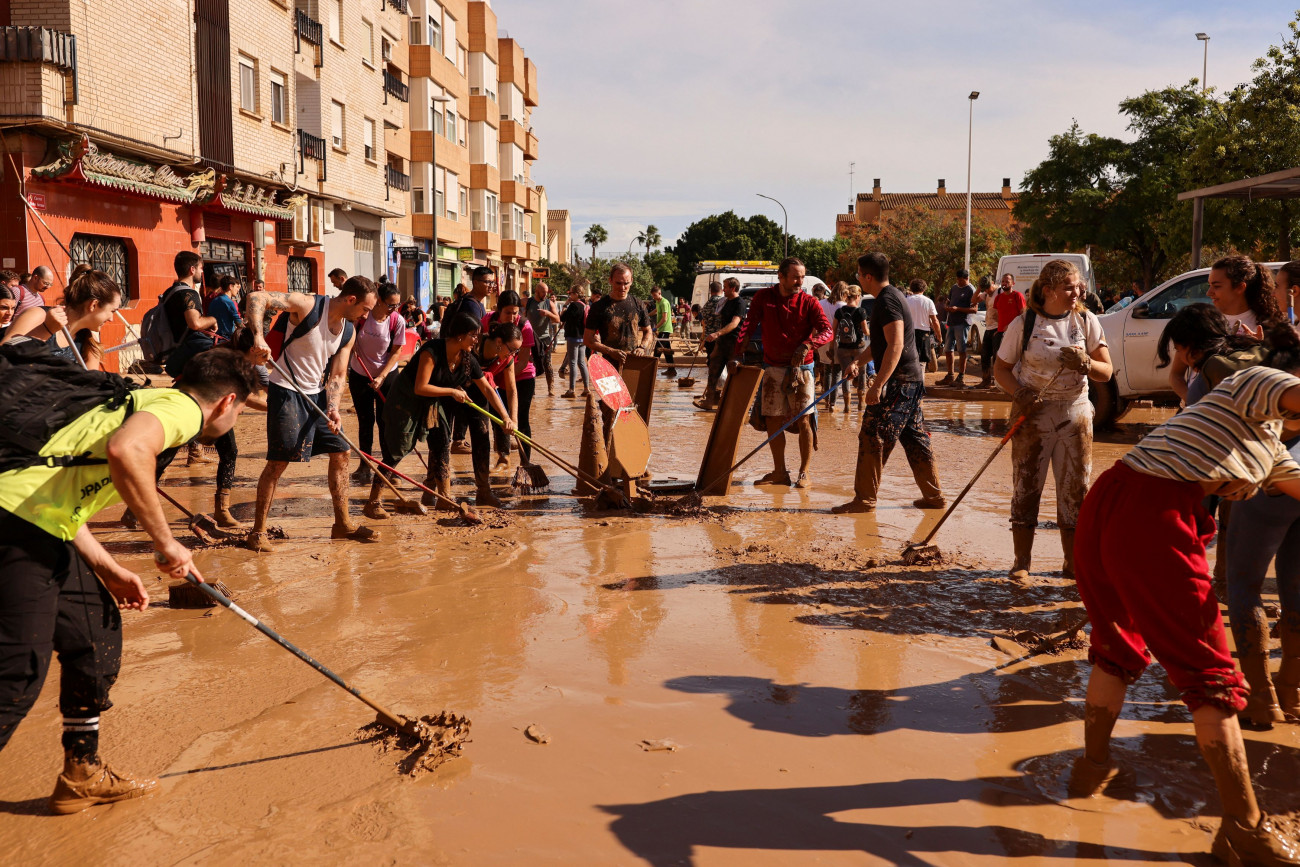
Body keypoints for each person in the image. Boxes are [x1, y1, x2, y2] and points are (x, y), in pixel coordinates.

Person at [1068, 323, 1300, 866]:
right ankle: (1243, 827)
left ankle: (1091, 770)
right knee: (1211, 674)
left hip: (1115, 498)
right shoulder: (1255, 381)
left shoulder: (1270, 449)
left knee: (1117, 642)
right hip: (1150, 511)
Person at [0, 346, 257, 813]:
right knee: (15, 673)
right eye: (240, 410)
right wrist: (167, 543)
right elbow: (127, 450)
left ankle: (81, 772)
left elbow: (50, 488)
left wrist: (108, 567)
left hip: (34, 517)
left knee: (95, 630)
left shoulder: (151, 401)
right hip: (11, 524)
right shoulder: (181, 411)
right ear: (227, 403)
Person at [993, 259, 1113, 580]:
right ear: (1048, 290)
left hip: (1075, 412)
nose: (1077, 293)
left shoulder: (1086, 321)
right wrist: (1020, 394)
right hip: (1033, 413)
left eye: (1078, 286)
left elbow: (1107, 371)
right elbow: (1001, 370)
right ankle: (1022, 563)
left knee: (1076, 490)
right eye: (1069, 287)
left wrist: (1086, 362)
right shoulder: (1024, 323)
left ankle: (1072, 565)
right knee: (1027, 484)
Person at [243, 277, 379, 552]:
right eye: (365, 309)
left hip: (316, 396)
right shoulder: (308, 305)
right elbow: (257, 298)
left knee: (342, 453)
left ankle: (342, 524)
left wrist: (333, 408)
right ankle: (257, 532)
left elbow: (339, 373)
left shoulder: (348, 331)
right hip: (286, 391)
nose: (367, 315)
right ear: (351, 300)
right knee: (278, 463)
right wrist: (258, 336)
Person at [834, 253, 943, 513]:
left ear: (868, 276)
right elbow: (881, 344)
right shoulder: (891, 296)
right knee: (915, 438)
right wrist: (857, 362)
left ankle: (864, 500)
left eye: (859, 275)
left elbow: (895, 345)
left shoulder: (887, 301)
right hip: (910, 381)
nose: (858, 279)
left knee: (872, 435)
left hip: (899, 382)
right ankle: (933, 497)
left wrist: (877, 385)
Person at [381, 314, 517, 511]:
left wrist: (506, 417)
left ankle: (477, 491)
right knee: (429, 443)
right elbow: (421, 386)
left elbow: (487, 388)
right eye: (473, 336)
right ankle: (433, 492)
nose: (476, 341)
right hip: (428, 398)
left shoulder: (469, 357)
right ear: (461, 336)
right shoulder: (434, 350)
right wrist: (453, 391)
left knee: (478, 437)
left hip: (459, 396)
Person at [731, 257, 832, 489]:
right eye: (795, 276)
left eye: (802, 276)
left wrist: (808, 345)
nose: (800, 281)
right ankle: (779, 472)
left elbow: (827, 331)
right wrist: (737, 354)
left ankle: (804, 472)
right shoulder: (763, 298)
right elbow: (747, 326)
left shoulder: (810, 302)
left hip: (802, 370)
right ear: (781, 276)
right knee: (773, 420)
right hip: (772, 368)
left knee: (804, 420)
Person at [2, 265, 120, 372]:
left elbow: (90, 385)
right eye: (112, 311)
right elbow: (4, 358)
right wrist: (46, 330)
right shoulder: (39, 316)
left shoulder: (90, 341)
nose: (111, 319)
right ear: (93, 305)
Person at [347, 282, 406, 488]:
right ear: (379, 301)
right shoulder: (363, 316)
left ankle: (389, 467)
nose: (394, 309)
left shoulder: (397, 321)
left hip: (387, 376)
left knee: (386, 422)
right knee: (365, 421)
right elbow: (347, 334)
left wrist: (381, 377)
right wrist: (351, 343)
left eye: (397, 305)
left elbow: (396, 352)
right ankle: (365, 465)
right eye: (391, 305)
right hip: (360, 374)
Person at [482, 290, 538, 470]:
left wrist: (505, 379)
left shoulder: (525, 327)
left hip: (521, 376)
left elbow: (521, 360)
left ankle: (525, 461)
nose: (513, 317)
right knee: (498, 417)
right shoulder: (488, 321)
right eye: (508, 312)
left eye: (516, 312)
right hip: (495, 375)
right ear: (498, 310)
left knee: (520, 419)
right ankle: (503, 458)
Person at [1206, 254, 1287, 338]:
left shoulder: (1268, 326)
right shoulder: (1206, 323)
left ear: (1240, 287)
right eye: (1209, 286)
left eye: (1216, 286)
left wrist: (1258, 348)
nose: (1208, 293)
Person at [700, 278, 745, 411]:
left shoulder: (740, 303)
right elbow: (721, 321)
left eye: (725, 287)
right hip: (721, 343)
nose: (723, 289)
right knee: (713, 371)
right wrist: (717, 343)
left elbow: (734, 323)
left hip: (734, 343)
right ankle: (710, 400)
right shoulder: (724, 301)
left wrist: (717, 334)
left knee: (734, 375)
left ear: (732, 288)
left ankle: (734, 404)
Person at [833, 285, 870, 410]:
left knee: (845, 375)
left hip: (843, 348)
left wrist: (832, 347)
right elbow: (865, 331)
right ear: (857, 296)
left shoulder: (839, 311)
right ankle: (861, 404)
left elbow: (834, 331)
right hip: (859, 347)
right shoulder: (861, 311)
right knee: (862, 374)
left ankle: (847, 406)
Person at [938, 269, 976, 387]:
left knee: (961, 350)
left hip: (962, 323)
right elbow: (948, 301)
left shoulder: (971, 290)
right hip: (951, 322)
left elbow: (974, 309)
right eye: (957, 280)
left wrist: (958, 309)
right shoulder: (954, 287)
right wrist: (947, 306)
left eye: (961, 280)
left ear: (966, 278)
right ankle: (950, 375)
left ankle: (961, 376)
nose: (959, 282)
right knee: (948, 350)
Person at [526, 281, 561, 395]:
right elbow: (513, 304)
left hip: (545, 338)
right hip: (530, 338)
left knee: (547, 364)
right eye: (543, 293)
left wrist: (547, 314)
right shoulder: (528, 301)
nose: (545, 295)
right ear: (536, 291)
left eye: (546, 292)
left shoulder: (549, 303)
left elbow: (557, 319)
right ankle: (532, 390)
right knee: (531, 364)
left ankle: (551, 389)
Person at [696, 281, 726, 409]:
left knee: (713, 368)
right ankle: (721, 398)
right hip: (721, 339)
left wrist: (702, 340)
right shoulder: (725, 303)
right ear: (722, 290)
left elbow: (704, 324)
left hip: (709, 341)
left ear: (710, 291)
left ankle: (713, 397)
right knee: (724, 368)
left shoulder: (706, 305)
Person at [991, 273, 1027, 375]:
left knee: (1014, 359)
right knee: (998, 357)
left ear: (1013, 283)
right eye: (1003, 281)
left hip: (1014, 334)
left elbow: (1023, 314)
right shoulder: (998, 298)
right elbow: (995, 314)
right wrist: (998, 329)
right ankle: (998, 380)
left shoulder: (1017, 296)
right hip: (1001, 332)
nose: (1004, 283)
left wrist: (1012, 326)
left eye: (1007, 281)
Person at [559, 282, 590, 399]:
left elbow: (562, 318)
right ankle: (586, 389)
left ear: (576, 294)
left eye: (571, 293)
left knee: (572, 362)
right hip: (583, 338)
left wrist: (565, 305)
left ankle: (571, 390)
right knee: (581, 362)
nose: (569, 296)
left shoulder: (573, 306)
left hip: (573, 337)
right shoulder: (585, 306)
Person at [904, 279, 942, 373]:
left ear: (912, 288)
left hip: (908, 334)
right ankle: (920, 385)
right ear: (924, 289)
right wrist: (939, 335)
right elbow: (935, 321)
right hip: (923, 335)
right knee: (921, 363)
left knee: (909, 361)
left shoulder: (905, 301)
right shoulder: (928, 301)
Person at [972, 276, 999, 388]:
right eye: (985, 289)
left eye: (988, 287)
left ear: (993, 283)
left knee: (997, 357)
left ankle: (998, 382)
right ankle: (986, 380)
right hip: (989, 327)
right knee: (985, 355)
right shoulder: (985, 294)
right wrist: (979, 289)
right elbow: (973, 301)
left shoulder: (1000, 292)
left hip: (998, 328)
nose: (988, 290)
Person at [651, 286, 677, 377]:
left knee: (657, 349)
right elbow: (657, 310)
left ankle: (652, 371)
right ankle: (671, 369)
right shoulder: (658, 302)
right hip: (662, 329)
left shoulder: (664, 302)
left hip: (665, 329)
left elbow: (664, 318)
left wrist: (655, 328)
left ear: (659, 293)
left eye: (655, 295)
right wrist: (648, 314)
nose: (654, 297)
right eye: (653, 296)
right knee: (667, 351)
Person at [210, 275, 243, 341]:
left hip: (214, 337)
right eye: (236, 287)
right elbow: (239, 323)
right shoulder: (229, 302)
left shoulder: (214, 300)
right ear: (230, 286)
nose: (238, 289)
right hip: (226, 338)